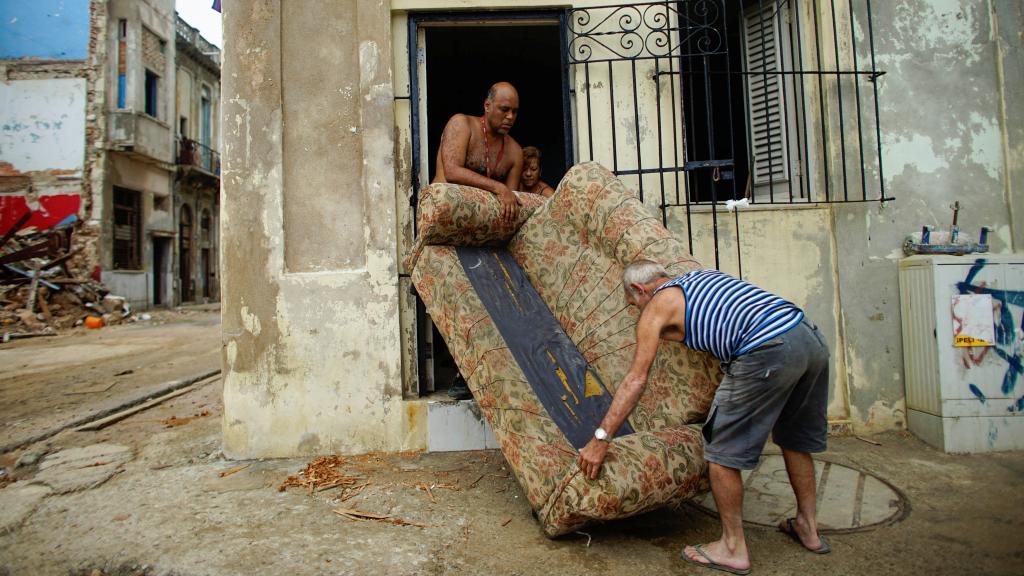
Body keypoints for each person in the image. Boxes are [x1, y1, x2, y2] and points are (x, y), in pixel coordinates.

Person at [577, 260, 831, 575]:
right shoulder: (701, 278)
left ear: (640, 289)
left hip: (767, 350)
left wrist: (601, 438)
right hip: (809, 338)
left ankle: (732, 548)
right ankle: (808, 527)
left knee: (721, 450)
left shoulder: (657, 304)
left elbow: (635, 380)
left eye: (633, 305)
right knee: (794, 440)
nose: (636, 312)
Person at [433, 81, 524, 224]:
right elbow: (451, 172)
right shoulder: (461, 124)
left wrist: (505, 193)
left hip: (482, 227)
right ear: (487, 106)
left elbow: (509, 204)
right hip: (444, 218)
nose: (510, 117)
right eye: (504, 109)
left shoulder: (515, 152)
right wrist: (499, 187)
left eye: (515, 111)